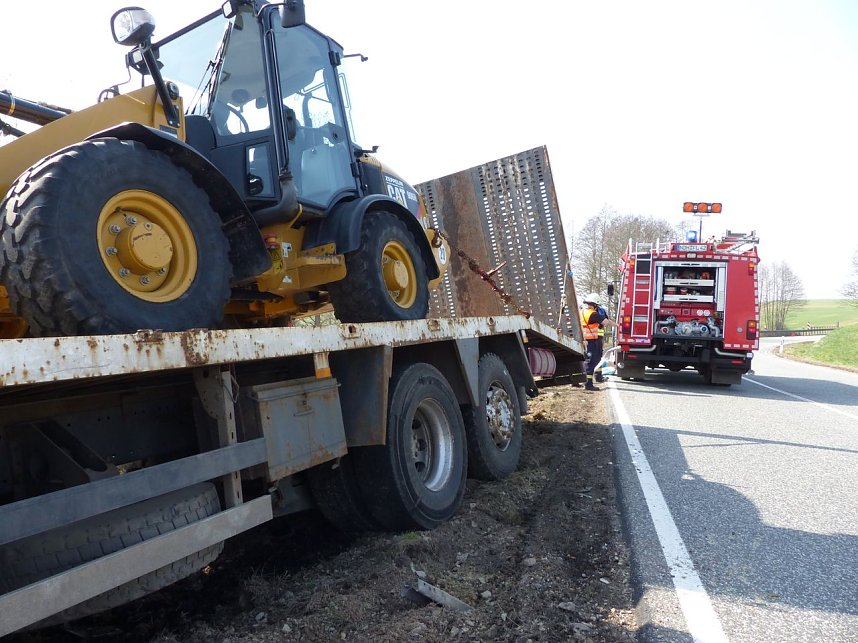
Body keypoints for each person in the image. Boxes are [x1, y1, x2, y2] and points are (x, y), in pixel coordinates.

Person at [580, 293, 616, 391]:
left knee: (588, 360)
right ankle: (588, 384)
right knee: (592, 362)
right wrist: (618, 326)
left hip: (584, 340)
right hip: (592, 341)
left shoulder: (582, 312)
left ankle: (587, 382)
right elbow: (606, 322)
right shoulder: (594, 314)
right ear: (595, 304)